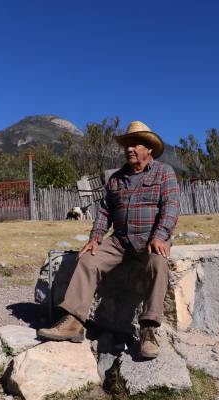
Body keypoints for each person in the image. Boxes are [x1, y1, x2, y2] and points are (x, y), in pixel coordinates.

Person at [37, 120, 180, 359]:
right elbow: (105, 212)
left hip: (150, 240)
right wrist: (95, 238)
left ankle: (148, 331)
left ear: (149, 149)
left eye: (136, 144)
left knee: (158, 264)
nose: (130, 149)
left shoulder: (164, 173)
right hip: (120, 241)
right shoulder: (116, 178)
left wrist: (160, 236)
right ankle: (73, 321)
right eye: (127, 145)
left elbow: (171, 207)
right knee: (88, 259)